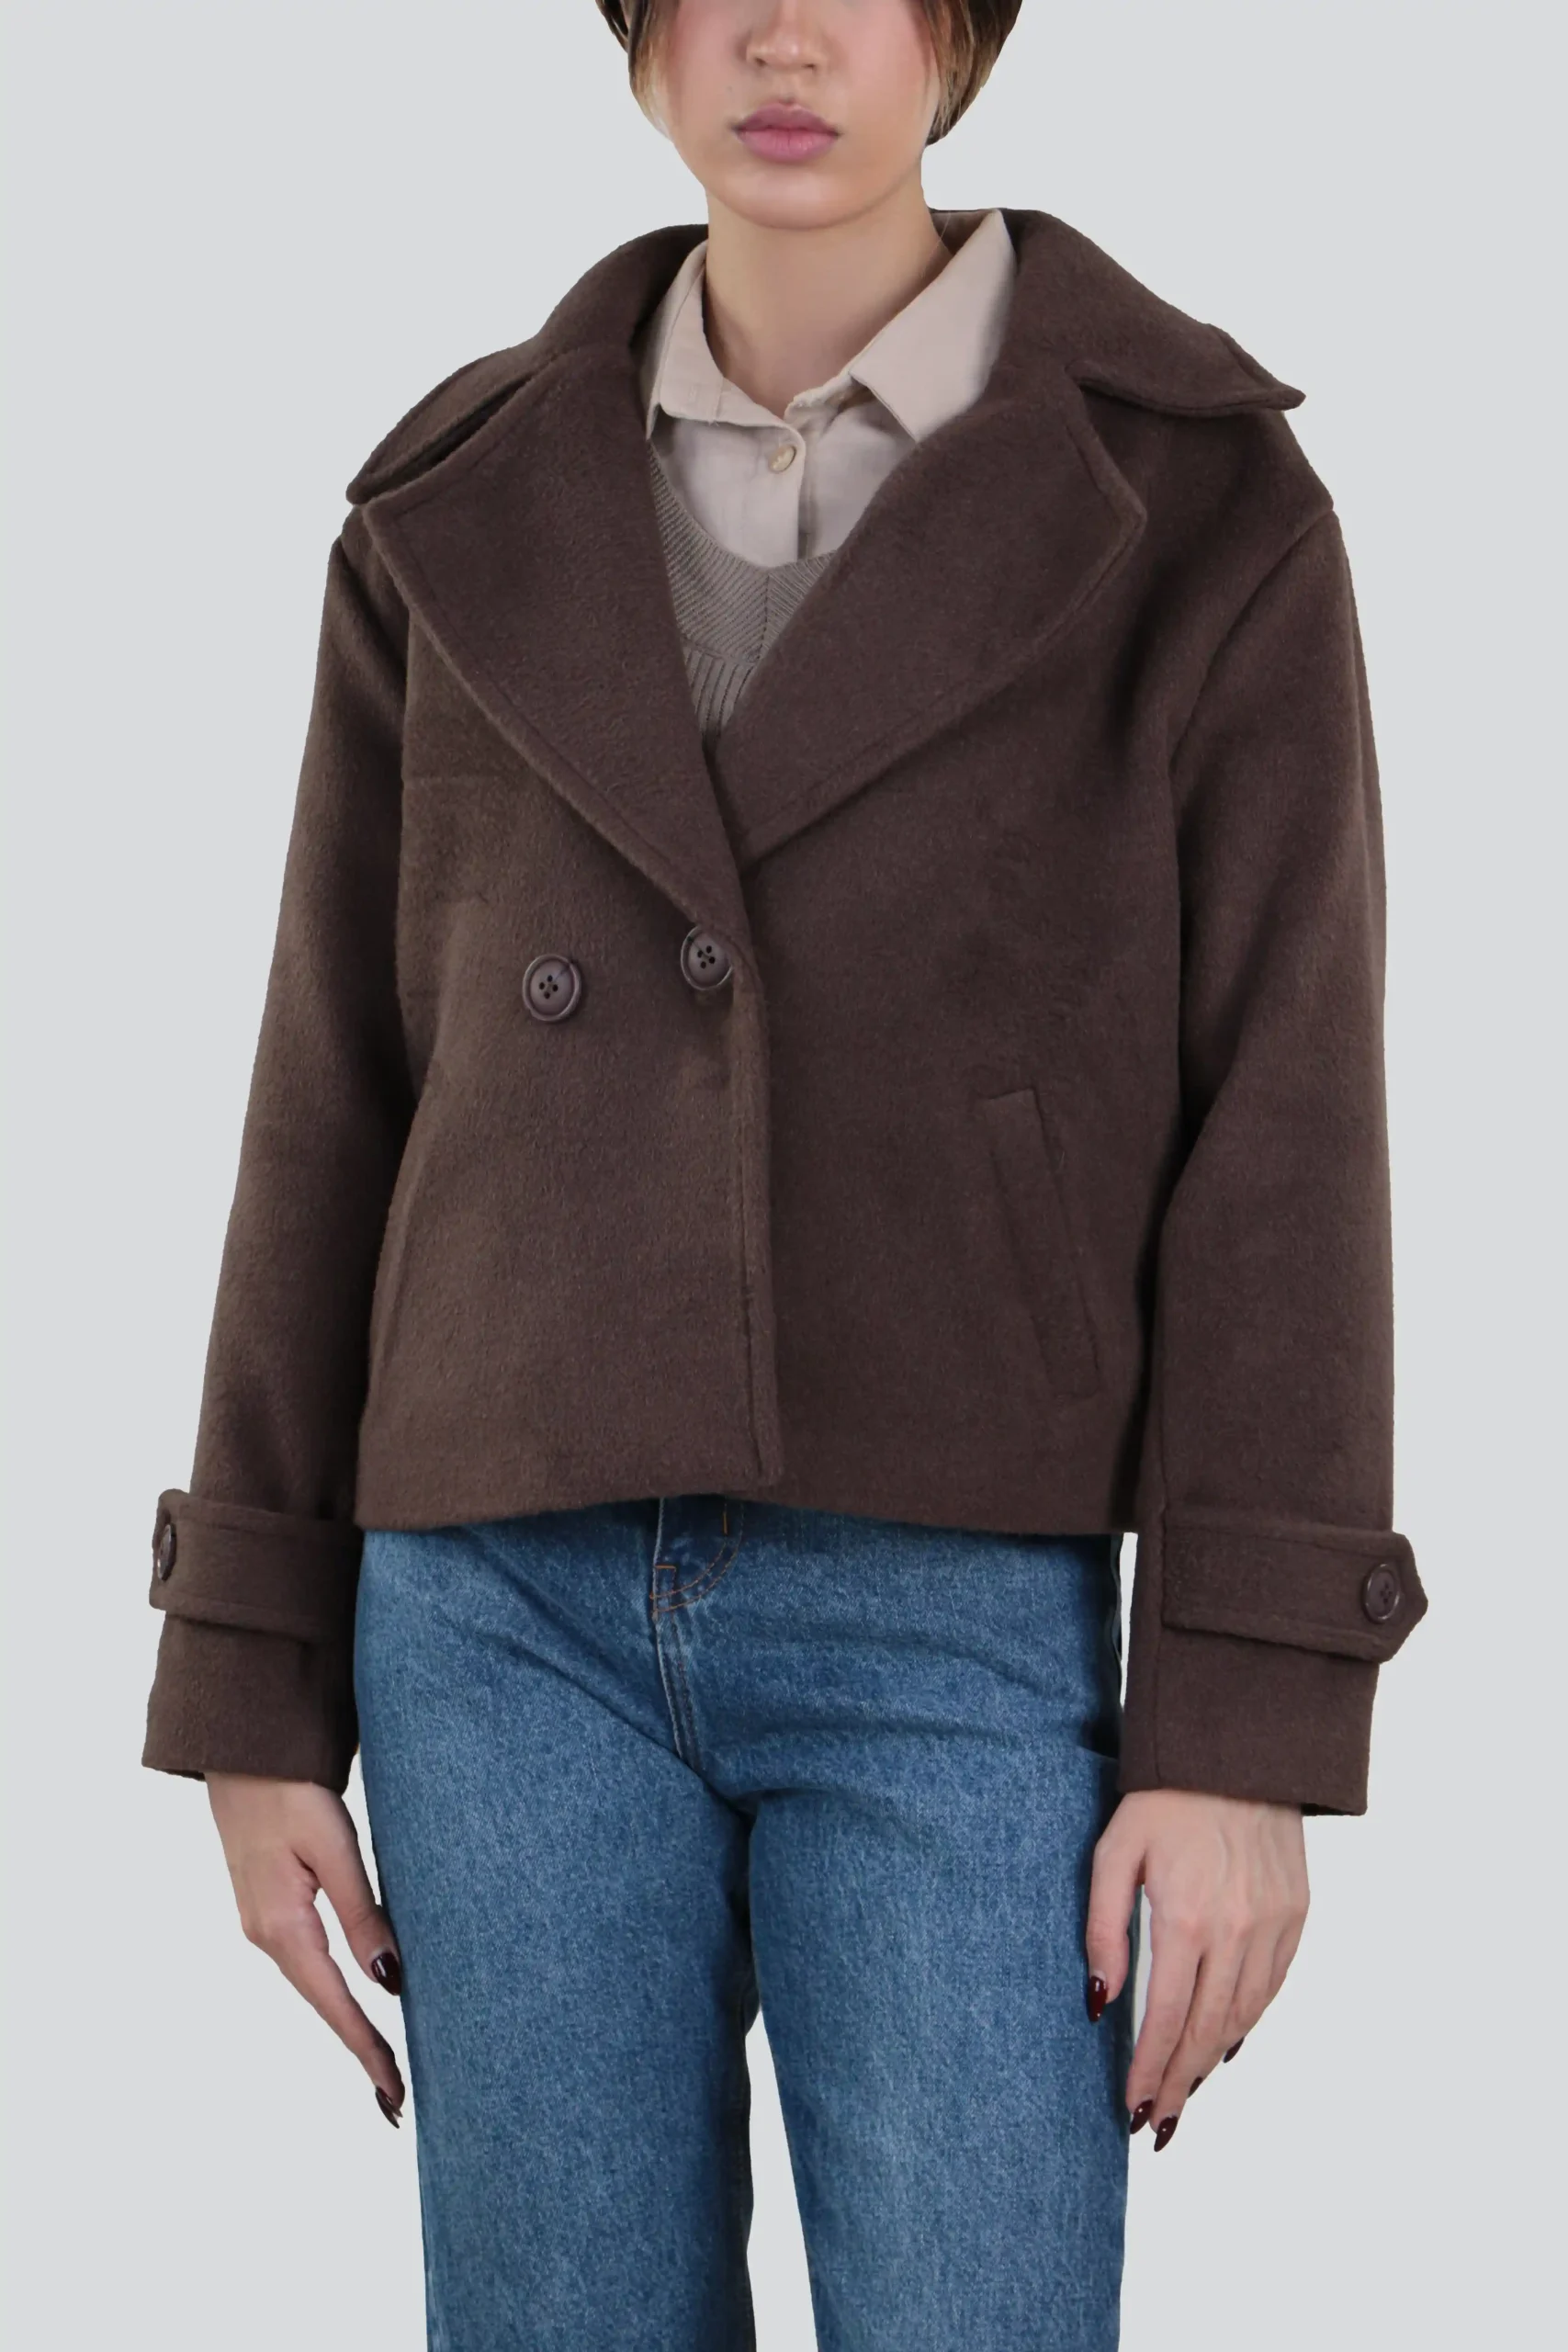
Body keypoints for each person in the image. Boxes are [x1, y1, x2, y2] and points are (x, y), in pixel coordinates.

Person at [140, 3, 1427, 2345]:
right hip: (494, 1598)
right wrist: (251, 1670)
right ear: (634, 35)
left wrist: (1241, 1722)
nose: (784, 35)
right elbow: (333, 1082)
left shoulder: (1198, 504)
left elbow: (1286, 1120)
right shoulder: (456, 497)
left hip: (952, 1598)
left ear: (959, 29)